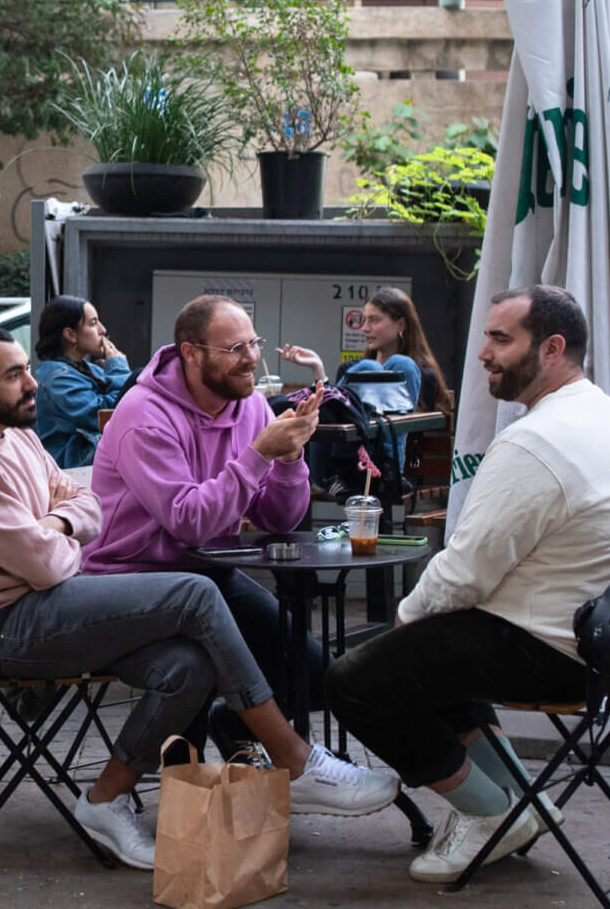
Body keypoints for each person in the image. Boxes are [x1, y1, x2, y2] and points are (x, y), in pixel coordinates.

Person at [0, 325, 401, 873]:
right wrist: (61, 536)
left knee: (187, 665)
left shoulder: (14, 434)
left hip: (52, 601)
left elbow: (84, 501)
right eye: (14, 374)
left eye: (26, 368)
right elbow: (47, 564)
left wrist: (54, 524)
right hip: (2, 629)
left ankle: (104, 799)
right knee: (196, 592)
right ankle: (294, 760)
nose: (33, 383)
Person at [325, 285, 610, 884]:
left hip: (551, 648)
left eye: (501, 339)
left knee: (354, 680)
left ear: (552, 348)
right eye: (487, 336)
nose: (483, 352)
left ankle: (485, 814)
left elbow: (465, 570)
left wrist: (406, 616)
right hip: (595, 641)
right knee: (431, 651)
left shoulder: (537, 441)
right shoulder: (601, 414)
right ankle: (520, 801)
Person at [86, 295, 390, 798]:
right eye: (234, 348)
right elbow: (189, 522)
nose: (251, 357)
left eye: (253, 342)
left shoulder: (249, 405)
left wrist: (290, 458)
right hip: (131, 581)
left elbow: (279, 518)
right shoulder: (145, 415)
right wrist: (257, 455)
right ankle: (207, 801)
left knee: (315, 673)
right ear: (190, 352)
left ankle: (240, 728)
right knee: (198, 668)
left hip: (208, 575)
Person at [280, 284, 454, 476]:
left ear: (401, 324)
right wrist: (318, 369)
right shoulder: (351, 369)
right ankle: (367, 468)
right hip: (344, 468)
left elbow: (416, 437)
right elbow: (337, 414)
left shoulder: (422, 374)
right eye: (364, 320)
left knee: (398, 365)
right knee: (367, 369)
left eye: (374, 320)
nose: (364, 328)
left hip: (393, 472)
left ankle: (387, 466)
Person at [31, 295, 131, 469]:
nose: (103, 330)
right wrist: (118, 368)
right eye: (93, 323)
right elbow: (108, 415)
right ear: (70, 334)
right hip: (71, 473)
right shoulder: (57, 377)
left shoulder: (92, 369)